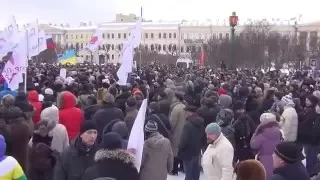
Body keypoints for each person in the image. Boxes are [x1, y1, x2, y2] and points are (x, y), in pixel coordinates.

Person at [250, 113, 281, 180]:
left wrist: (254, 134)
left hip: (264, 158)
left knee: (264, 175)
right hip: (277, 157)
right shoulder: (278, 131)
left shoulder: (262, 132)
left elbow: (254, 145)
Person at [178, 106, 205, 180]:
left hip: (188, 152)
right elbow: (203, 137)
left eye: (185, 112)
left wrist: (180, 147)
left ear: (189, 113)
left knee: (188, 174)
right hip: (197, 151)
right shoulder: (201, 123)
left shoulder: (187, 125)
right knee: (196, 173)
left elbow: (184, 140)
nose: (184, 114)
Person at [169, 92, 186, 175]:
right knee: (182, 149)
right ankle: (182, 167)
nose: (172, 98)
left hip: (176, 131)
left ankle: (174, 169)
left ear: (177, 98)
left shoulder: (176, 108)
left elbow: (172, 122)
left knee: (174, 150)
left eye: (174, 97)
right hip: (184, 131)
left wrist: (169, 130)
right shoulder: (184, 107)